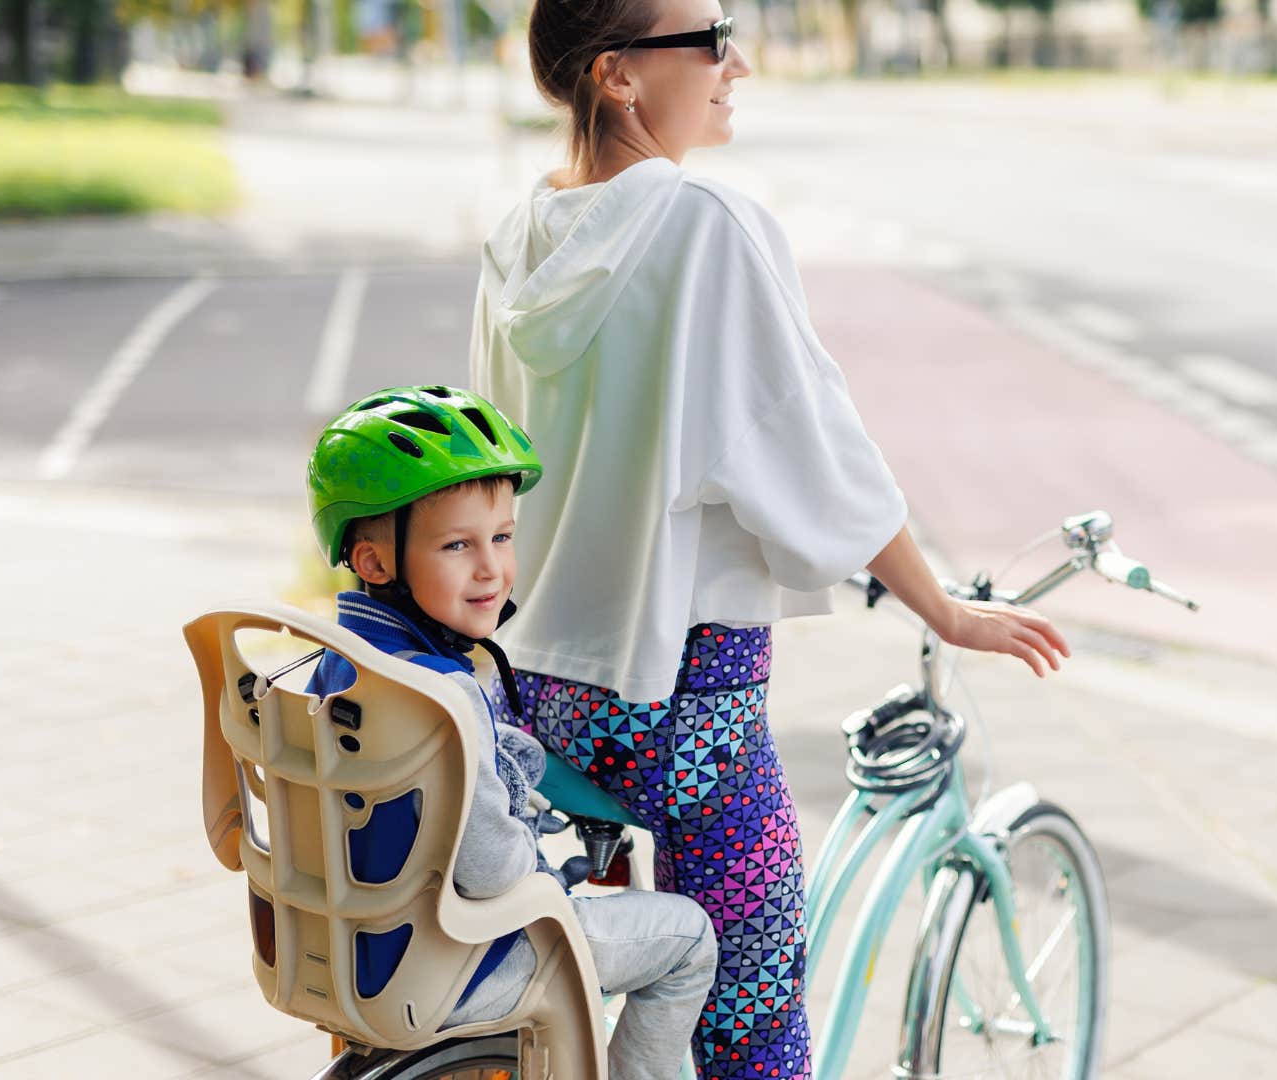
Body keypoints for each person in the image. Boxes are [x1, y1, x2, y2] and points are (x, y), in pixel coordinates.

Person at [470, 3, 1069, 1075]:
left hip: (540, 694)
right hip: (682, 711)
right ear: (617, 75)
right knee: (753, 1022)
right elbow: (813, 444)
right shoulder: (704, 221)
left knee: (657, 990)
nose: (734, 61)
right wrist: (941, 606)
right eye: (710, 39)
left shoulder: (519, 234)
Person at [305, 385, 718, 1080]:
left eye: (501, 537)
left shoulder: (336, 666)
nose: (491, 568)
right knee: (688, 939)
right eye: (456, 545)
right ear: (376, 562)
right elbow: (495, 871)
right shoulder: (441, 697)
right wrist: (539, 862)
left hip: (352, 948)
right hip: (453, 963)